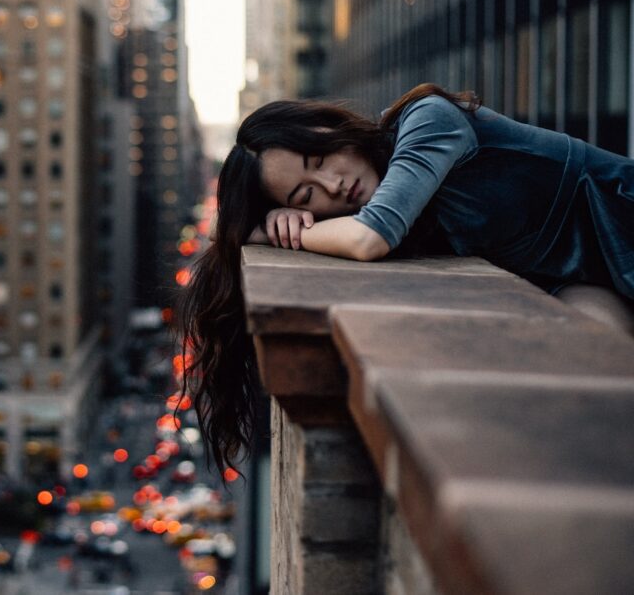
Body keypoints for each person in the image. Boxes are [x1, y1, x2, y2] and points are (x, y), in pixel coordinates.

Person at [176, 83, 634, 476]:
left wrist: (277, 232)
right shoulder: (402, 211)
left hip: (622, 226)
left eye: (320, 158)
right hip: (582, 277)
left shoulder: (427, 120)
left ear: (333, 127)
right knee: (593, 370)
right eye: (306, 195)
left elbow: (370, 238)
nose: (333, 186)